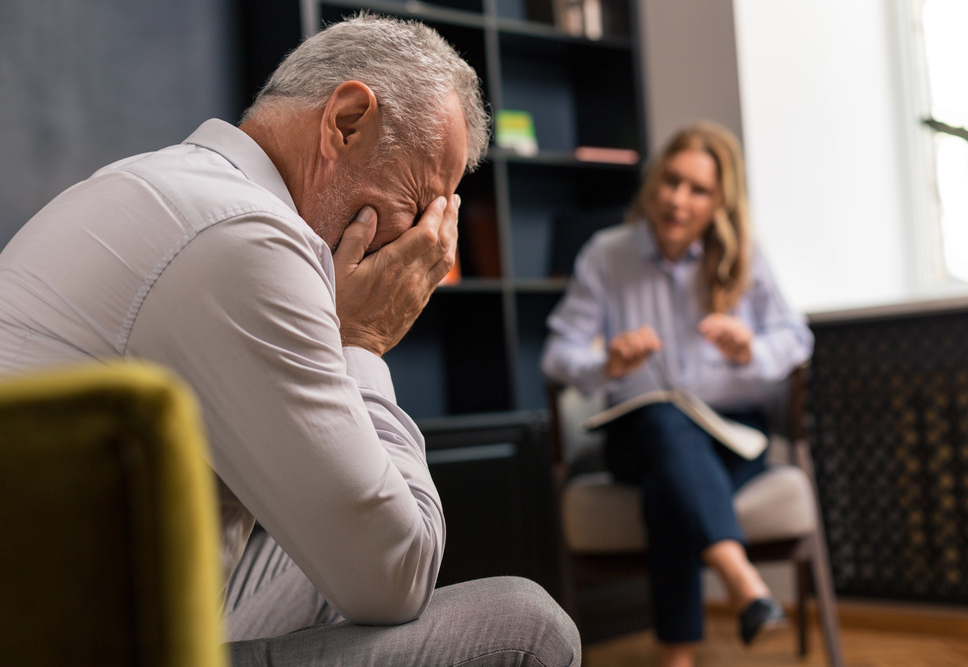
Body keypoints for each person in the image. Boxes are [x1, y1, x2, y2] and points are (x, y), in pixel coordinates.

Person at [0, 14, 580, 667]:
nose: (427, 251)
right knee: (531, 625)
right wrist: (360, 341)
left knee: (318, 529)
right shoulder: (246, 236)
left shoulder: (167, 187)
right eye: (420, 206)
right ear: (346, 121)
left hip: (86, 606)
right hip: (81, 641)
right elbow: (398, 575)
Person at [540, 122, 813, 667]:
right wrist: (606, 361)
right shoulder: (607, 254)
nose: (677, 200)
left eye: (698, 190)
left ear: (719, 202)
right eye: (671, 181)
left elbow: (796, 339)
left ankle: (677, 656)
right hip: (634, 436)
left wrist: (749, 350)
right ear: (653, 183)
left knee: (671, 486)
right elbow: (557, 353)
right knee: (665, 422)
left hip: (731, 437)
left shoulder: (745, 258)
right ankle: (742, 579)